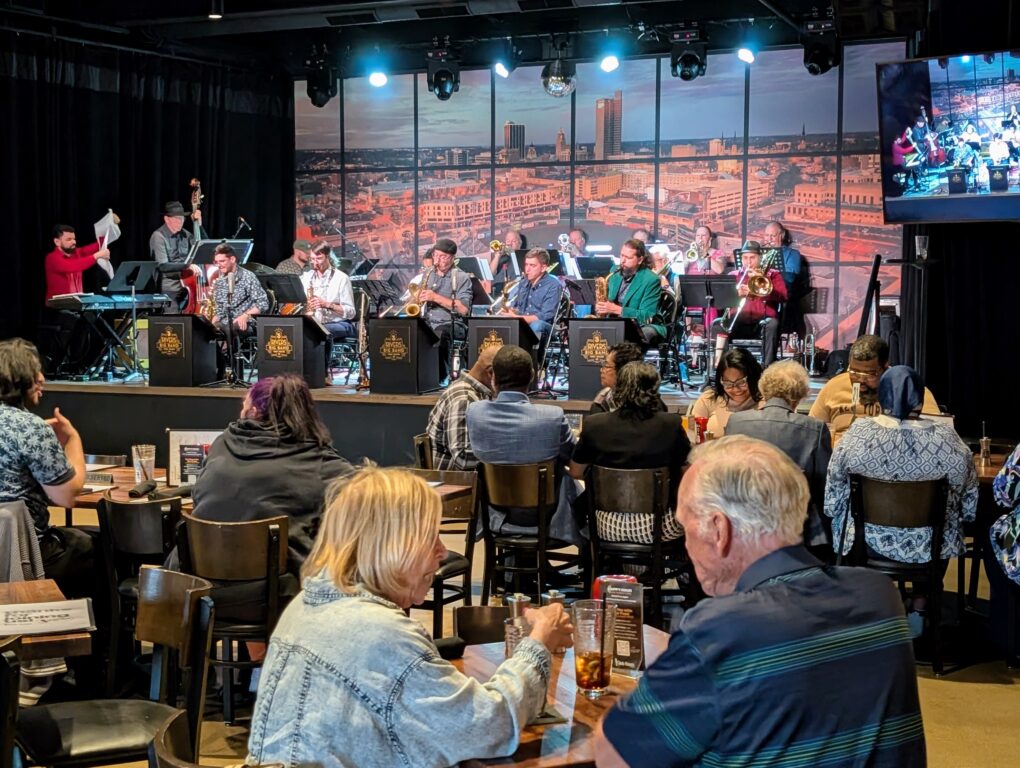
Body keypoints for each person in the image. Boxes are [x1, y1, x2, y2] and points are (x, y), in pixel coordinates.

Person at [594, 436, 926, 768]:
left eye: (686, 528)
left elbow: (614, 757)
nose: (686, 547)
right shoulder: (881, 596)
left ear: (718, 529)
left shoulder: (720, 630)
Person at [246, 466, 574, 768]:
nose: (443, 551)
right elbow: (490, 724)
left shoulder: (307, 604)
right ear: (392, 545)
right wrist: (539, 640)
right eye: (430, 536)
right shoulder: (379, 634)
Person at [192, 374, 351, 575]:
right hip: (282, 595)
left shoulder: (222, 444)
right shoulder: (319, 463)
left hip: (199, 586)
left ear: (254, 412)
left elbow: (197, 497)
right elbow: (370, 496)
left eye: (244, 405)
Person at [824, 365, 977, 566]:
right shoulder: (948, 438)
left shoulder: (859, 434)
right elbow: (968, 500)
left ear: (882, 396)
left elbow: (833, 495)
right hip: (931, 545)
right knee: (946, 525)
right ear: (921, 399)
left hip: (865, 542)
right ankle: (923, 595)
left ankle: (869, 589)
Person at [0, 339, 95, 595]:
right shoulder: (30, 428)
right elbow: (66, 497)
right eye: (36, 371)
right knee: (92, 547)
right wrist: (72, 439)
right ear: (21, 377)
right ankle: (94, 634)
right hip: (21, 554)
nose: (42, 378)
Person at [466, 346, 581, 544]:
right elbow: (573, 457)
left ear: (493, 375)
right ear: (532, 376)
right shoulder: (552, 416)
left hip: (496, 514)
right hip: (548, 516)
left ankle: (518, 572)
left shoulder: (475, 413)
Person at [569, 362, 690, 544]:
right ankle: (676, 571)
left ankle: (603, 568)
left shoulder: (595, 424)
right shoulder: (670, 424)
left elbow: (576, 472)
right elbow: (687, 473)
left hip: (604, 525)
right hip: (660, 527)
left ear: (618, 388)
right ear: (654, 388)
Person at [725, 360, 832, 550]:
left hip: (745, 522)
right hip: (795, 528)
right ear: (798, 396)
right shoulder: (814, 429)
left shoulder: (735, 422)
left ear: (764, 390)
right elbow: (824, 488)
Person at [809, 333, 940, 445]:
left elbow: (936, 434)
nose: (860, 381)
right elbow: (812, 431)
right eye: (854, 372)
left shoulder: (909, 389)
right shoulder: (834, 386)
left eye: (869, 374)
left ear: (885, 366)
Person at [712, 240, 787, 367]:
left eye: (752, 257)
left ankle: (767, 369)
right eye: (745, 258)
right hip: (737, 323)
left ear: (760, 257)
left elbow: (783, 296)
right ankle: (722, 368)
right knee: (718, 324)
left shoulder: (772, 275)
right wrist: (735, 294)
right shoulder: (733, 275)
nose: (749, 261)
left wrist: (764, 289)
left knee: (773, 324)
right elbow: (721, 302)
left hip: (762, 323)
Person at [425, 345, 497, 470]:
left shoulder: (478, 393)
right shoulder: (464, 398)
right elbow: (463, 459)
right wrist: (505, 451)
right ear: (490, 372)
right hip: (452, 484)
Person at [209, 243, 269, 377]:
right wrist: (213, 321)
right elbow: (220, 310)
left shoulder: (248, 277)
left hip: (247, 322)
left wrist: (246, 315)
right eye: (217, 262)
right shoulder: (219, 281)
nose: (219, 265)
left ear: (232, 259)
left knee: (229, 328)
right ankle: (218, 371)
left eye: (222, 261)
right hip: (226, 322)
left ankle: (234, 372)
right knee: (208, 329)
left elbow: (263, 303)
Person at [418, 238, 473, 382]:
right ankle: (420, 377)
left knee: (439, 334)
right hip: (429, 320)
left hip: (452, 322)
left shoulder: (461, 277)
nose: (438, 260)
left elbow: (463, 309)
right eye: (436, 255)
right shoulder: (428, 273)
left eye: (443, 257)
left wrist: (435, 297)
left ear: (453, 258)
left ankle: (439, 376)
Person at [596, 238, 664, 346]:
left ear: (640, 260)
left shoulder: (651, 280)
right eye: (622, 255)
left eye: (628, 257)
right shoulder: (614, 272)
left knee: (641, 334)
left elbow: (647, 316)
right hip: (616, 322)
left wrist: (618, 310)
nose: (622, 261)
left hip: (641, 326)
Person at [691, 348, 763, 438]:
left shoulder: (765, 402)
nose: (736, 389)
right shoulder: (709, 399)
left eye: (741, 382)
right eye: (728, 384)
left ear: (753, 377)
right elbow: (691, 435)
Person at [150, 201, 204, 310]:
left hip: (189, 284)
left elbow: (203, 247)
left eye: (182, 219)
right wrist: (186, 266)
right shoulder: (158, 236)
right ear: (167, 219)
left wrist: (199, 225)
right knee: (173, 320)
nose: (180, 222)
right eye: (177, 219)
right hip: (170, 286)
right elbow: (162, 265)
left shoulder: (186, 235)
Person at [503, 247, 561, 342]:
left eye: (532, 265)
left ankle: (530, 355)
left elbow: (546, 316)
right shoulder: (523, 283)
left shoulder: (553, 285)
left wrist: (517, 318)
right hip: (523, 322)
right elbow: (518, 308)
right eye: (526, 265)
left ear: (543, 268)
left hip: (545, 326)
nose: (527, 269)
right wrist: (512, 311)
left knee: (536, 324)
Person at [300, 242, 357, 339]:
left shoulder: (341, 278)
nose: (315, 263)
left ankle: (321, 354)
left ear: (328, 257)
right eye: (312, 259)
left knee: (318, 330)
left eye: (319, 259)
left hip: (340, 323)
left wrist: (327, 305)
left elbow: (351, 312)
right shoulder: (306, 277)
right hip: (315, 322)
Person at [763, 221, 809, 337]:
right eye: (767, 235)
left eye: (772, 236)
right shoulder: (760, 254)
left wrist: (769, 274)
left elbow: (790, 278)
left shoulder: (792, 254)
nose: (769, 239)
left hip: (781, 297)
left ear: (781, 236)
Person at [44, 223, 113, 300]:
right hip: (58, 306)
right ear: (57, 242)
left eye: (74, 239)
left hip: (76, 304)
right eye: (69, 239)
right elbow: (72, 266)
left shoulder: (77, 253)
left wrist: (111, 223)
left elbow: (100, 243)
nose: (74, 242)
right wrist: (97, 256)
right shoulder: (52, 258)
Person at [590, 341, 645, 414]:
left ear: (623, 371)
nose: (601, 370)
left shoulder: (650, 403)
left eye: (606, 366)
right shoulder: (600, 401)